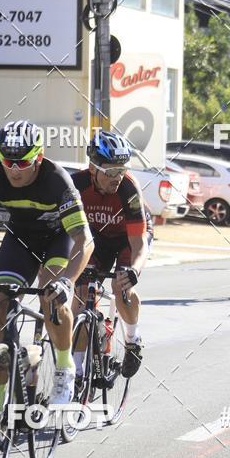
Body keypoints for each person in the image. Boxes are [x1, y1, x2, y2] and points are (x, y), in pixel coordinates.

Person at [0, 121, 93, 407]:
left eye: (22, 162)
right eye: (7, 160)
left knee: (52, 298)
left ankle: (64, 367)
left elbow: (84, 238)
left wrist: (68, 281)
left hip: (58, 240)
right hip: (20, 240)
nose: (13, 169)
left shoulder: (57, 180)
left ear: (38, 156)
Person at [71, 131, 149, 378]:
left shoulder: (128, 188)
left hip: (128, 239)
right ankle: (78, 371)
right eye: (111, 171)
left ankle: (132, 339)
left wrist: (134, 270)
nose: (118, 177)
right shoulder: (76, 185)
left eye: (122, 169)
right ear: (93, 168)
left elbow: (138, 242)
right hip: (96, 240)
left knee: (121, 287)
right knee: (82, 295)